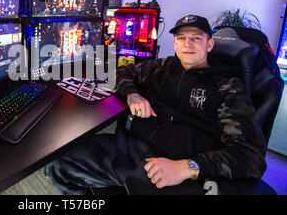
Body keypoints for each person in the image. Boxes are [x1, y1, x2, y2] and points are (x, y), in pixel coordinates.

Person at [46, 14, 267, 194]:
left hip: (177, 169)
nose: (187, 44)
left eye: (196, 38)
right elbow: (123, 72)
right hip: (131, 150)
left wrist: (188, 167)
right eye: (181, 38)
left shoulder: (228, 85)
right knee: (57, 163)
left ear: (209, 44)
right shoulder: (163, 66)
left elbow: (251, 155)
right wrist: (133, 94)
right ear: (174, 42)